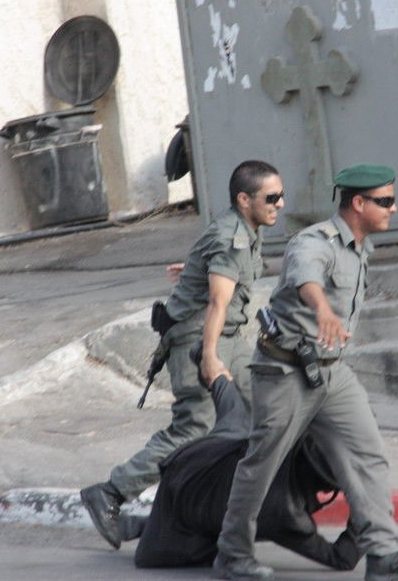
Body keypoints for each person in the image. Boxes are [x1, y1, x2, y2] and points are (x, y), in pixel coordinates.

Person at [214, 164, 398, 581]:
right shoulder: (313, 242)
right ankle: (232, 553)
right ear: (358, 203)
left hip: (331, 373)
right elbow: (307, 279)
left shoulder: (361, 247)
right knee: (261, 463)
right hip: (284, 372)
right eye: (386, 201)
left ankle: (383, 556)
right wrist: (321, 309)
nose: (394, 208)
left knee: (367, 454)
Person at [80, 160, 285, 550]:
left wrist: (194, 270)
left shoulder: (241, 229)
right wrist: (208, 356)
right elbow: (217, 303)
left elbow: (217, 275)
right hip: (203, 337)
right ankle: (111, 492)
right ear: (245, 199)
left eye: (281, 196)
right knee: (195, 428)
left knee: (265, 412)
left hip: (228, 338)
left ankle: (217, 505)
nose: (280, 204)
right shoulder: (232, 237)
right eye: (272, 197)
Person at [124, 366, 361, 572]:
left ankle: (209, 364)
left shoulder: (280, 439)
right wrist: (365, 512)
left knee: (233, 407)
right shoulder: (286, 515)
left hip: (212, 450)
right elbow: (342, 558)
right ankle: (143, 524)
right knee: (187, 548)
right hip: (186, 496)